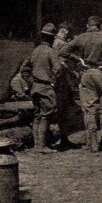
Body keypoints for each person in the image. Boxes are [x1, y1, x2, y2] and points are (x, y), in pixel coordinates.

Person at [59, 16, 102, 152]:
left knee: (90, 110)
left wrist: (79, 60)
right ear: (99, 25)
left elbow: (63, 51)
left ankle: (93, 144)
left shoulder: (80, 37)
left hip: (87, 74)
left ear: (87, 25)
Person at [28, 23, 62, 153]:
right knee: (46, 115)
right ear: (52, 38)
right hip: (46, 87)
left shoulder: (35, 50)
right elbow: (58, 69)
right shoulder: (51, 51)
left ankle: (36, 145)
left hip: (35, 87)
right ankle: (42, 146)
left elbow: (25, 68)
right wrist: (54, 81)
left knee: (37, 115)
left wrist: (31, 81)